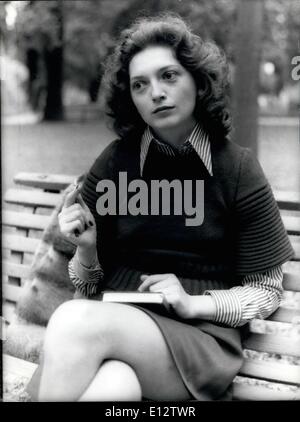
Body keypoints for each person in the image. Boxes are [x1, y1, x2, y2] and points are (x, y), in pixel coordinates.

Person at [29, 14, 294, 402]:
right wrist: (87, 248)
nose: (155, 92)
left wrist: (194, 303)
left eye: (169, 76)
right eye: (140, 84)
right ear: (131, 98)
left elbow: (266, 291)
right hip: (109, 330)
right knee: (113, 387)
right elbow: (87, 284)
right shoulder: (115, 163)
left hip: (196, 339)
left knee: (72, 319)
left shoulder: (237, 169)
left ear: (196, 80)